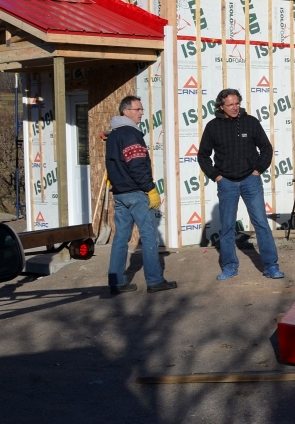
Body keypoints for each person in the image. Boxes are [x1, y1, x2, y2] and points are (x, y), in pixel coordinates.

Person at [198, 88, 284, 281]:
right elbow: (203, 155)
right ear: (221, 106)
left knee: (261, 223)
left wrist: (257, 170)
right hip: (226, 182)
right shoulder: (213, 127)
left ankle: (271, 266)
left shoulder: (250, 122)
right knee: (228, 226)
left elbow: (266, 148)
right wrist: (216, 176)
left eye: (237, 103)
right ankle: (229, 266)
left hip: (250, 180)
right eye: (230, 105)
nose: (235, 107)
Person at [106, 95, 177, 294]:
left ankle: (116, 281)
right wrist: (150, 188)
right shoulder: (130, 134)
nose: (141, 113)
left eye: (142, 109)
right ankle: (154, 280)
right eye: (138, 109)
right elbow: (137, 165)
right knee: (149, 235)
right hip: (135, 192)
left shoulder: (113, 135)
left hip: (119, 194)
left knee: (121, 238)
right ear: (126, 111)